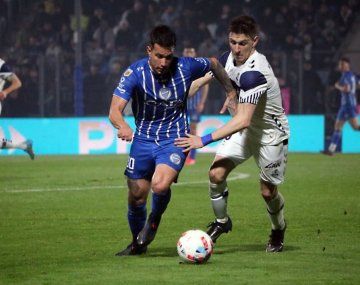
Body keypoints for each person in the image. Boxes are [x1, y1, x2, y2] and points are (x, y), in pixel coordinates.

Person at [109, 25, 236, 255]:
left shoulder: (185, 66)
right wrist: (123, 125)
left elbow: (215, 63)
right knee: (137, 196)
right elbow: (114, 111)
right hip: (143, 139)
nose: (164, 62)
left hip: (175, 138)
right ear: (149, 50)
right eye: (158, 56)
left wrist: (230, 92)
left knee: (159, 184)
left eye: (168, 57)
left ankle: (154, 219)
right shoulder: (135, 73)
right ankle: (137, 244)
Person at [175, 15, 290, 253]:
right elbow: (212, 73)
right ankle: (222, 223)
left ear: (255, 41)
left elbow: (243, 119)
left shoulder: (254, 73)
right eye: (233, 42)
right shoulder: (229, 58)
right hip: (245, 131)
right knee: (216, 174)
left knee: (267, 192)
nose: (236, 49)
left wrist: (203, 139)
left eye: (243, 43)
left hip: (269, 134)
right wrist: (188, 89)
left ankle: (278, 229)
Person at [322, 57, 360, 155]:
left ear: (346, 65)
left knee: (355, 127)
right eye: (340, 64)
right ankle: (331, 150)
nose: (340, 66)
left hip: (348, 105)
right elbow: (357, 85)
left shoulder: (346, 76)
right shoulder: (352, 75)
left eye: (341, 64)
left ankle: (331, 150)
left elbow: (346, 89)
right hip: (346, 105)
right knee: (338, 127)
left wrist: (337, 86)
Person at [0, 57, 34, 159]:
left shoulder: (1, 65)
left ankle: (22, 145)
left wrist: (5, 92)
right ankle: (22, 145)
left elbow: (17, 82)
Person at [183, 46, 211, 165]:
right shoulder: (180, 67)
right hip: (182, 104)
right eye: (187, 51)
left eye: (191, 51)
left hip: (194, 105)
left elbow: (205, 85)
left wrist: (202, 102)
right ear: (183, 53)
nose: (189, 53)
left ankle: (192, 157)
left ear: (195, 53)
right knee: (182, 130)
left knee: (193, 130)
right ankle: (182, 155)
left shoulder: (199, 68)